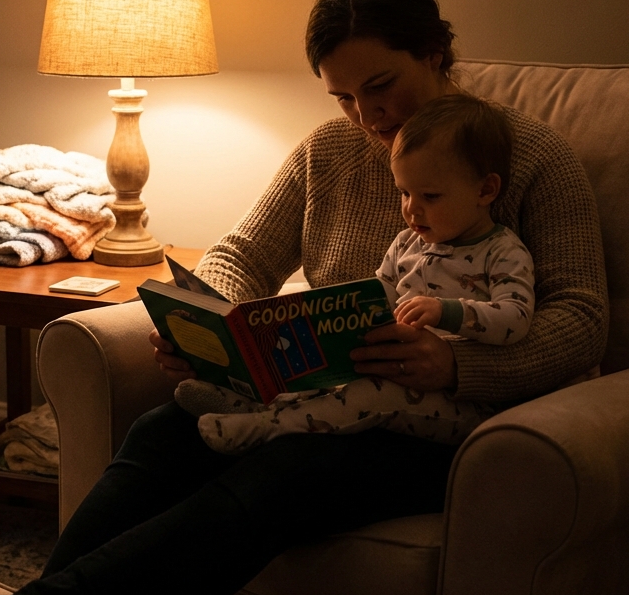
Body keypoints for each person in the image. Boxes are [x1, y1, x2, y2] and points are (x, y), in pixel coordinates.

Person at [0, 0, 607, 595]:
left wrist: (458, 361)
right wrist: (209, 330)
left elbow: (580, 319)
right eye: (342, 95)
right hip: (325, 394)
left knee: (282, 473)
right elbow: (239, 254)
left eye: (381, 86)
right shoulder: (327, 152)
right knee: (167, 430)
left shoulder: (527, 158)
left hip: (436, 425)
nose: (366, 116)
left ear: (435, 54)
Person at [176, 93, 536, 454]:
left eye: (430, 196)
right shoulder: (407, 242)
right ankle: (250, 404)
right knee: (319, 370)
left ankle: (262, 429)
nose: (412, 210)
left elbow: (516, 318)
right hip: (388, 370)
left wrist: (448, 311)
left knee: (368, 393)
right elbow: (379, 291)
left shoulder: (503, 251)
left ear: (486, 190)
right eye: (404, 193)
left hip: (461, 404)